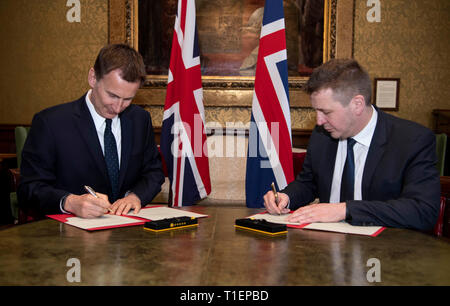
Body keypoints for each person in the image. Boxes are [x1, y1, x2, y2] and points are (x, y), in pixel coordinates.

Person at [264, 58, 440, 231]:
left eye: (326, 112)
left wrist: (344, 210)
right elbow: (309, 183)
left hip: (385, 252)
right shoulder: (322, 135)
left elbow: (423, 211)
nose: (319, 121)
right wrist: (286, 196)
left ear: (357, 104)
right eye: (316, 111)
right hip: (324, 247)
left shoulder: (412, 140)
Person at [18, 44, 165, 218]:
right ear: (93, 77)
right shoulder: (51, 123)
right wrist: (70, 202)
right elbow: (29, 188)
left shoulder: (140, 120)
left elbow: (153, 172)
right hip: (67, 234)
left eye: (128, 99)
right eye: (112, 95)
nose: (118, 107)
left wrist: (135, 196)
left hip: (126, 233)